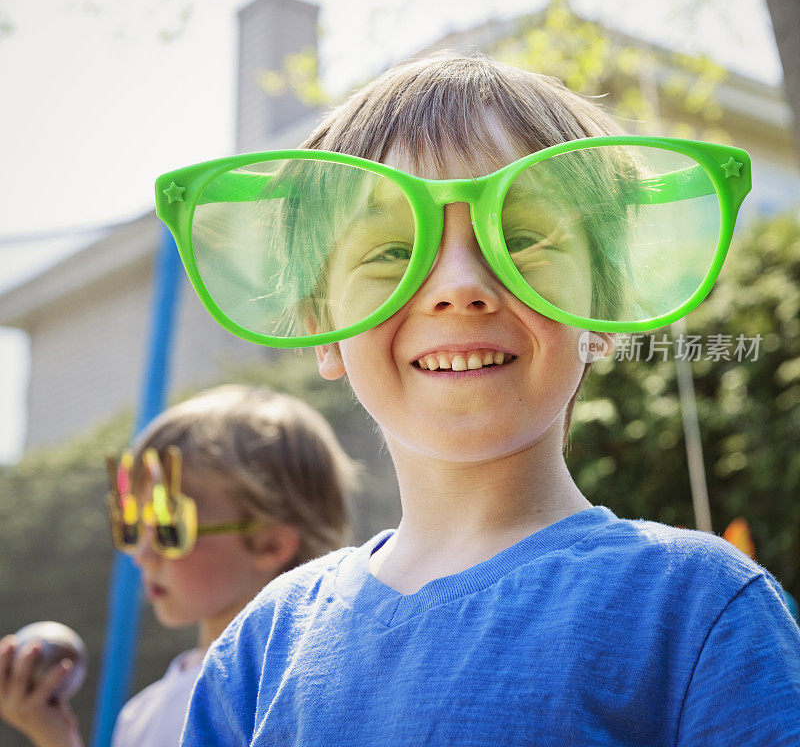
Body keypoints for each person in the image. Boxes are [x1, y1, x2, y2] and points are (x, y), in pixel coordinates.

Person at [161, 53, 799, 744]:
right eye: (389, 251)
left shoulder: (697, 609)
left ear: (604, 309)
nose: (459, 284)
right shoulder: (261, 646)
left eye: (523, 237)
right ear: (323, 328)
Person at [0, 384, 356, 747]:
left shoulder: (301, 698)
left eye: (169, 529)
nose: (141, 555)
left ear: (270, 543)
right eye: (132, 526)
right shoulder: (141, 714)